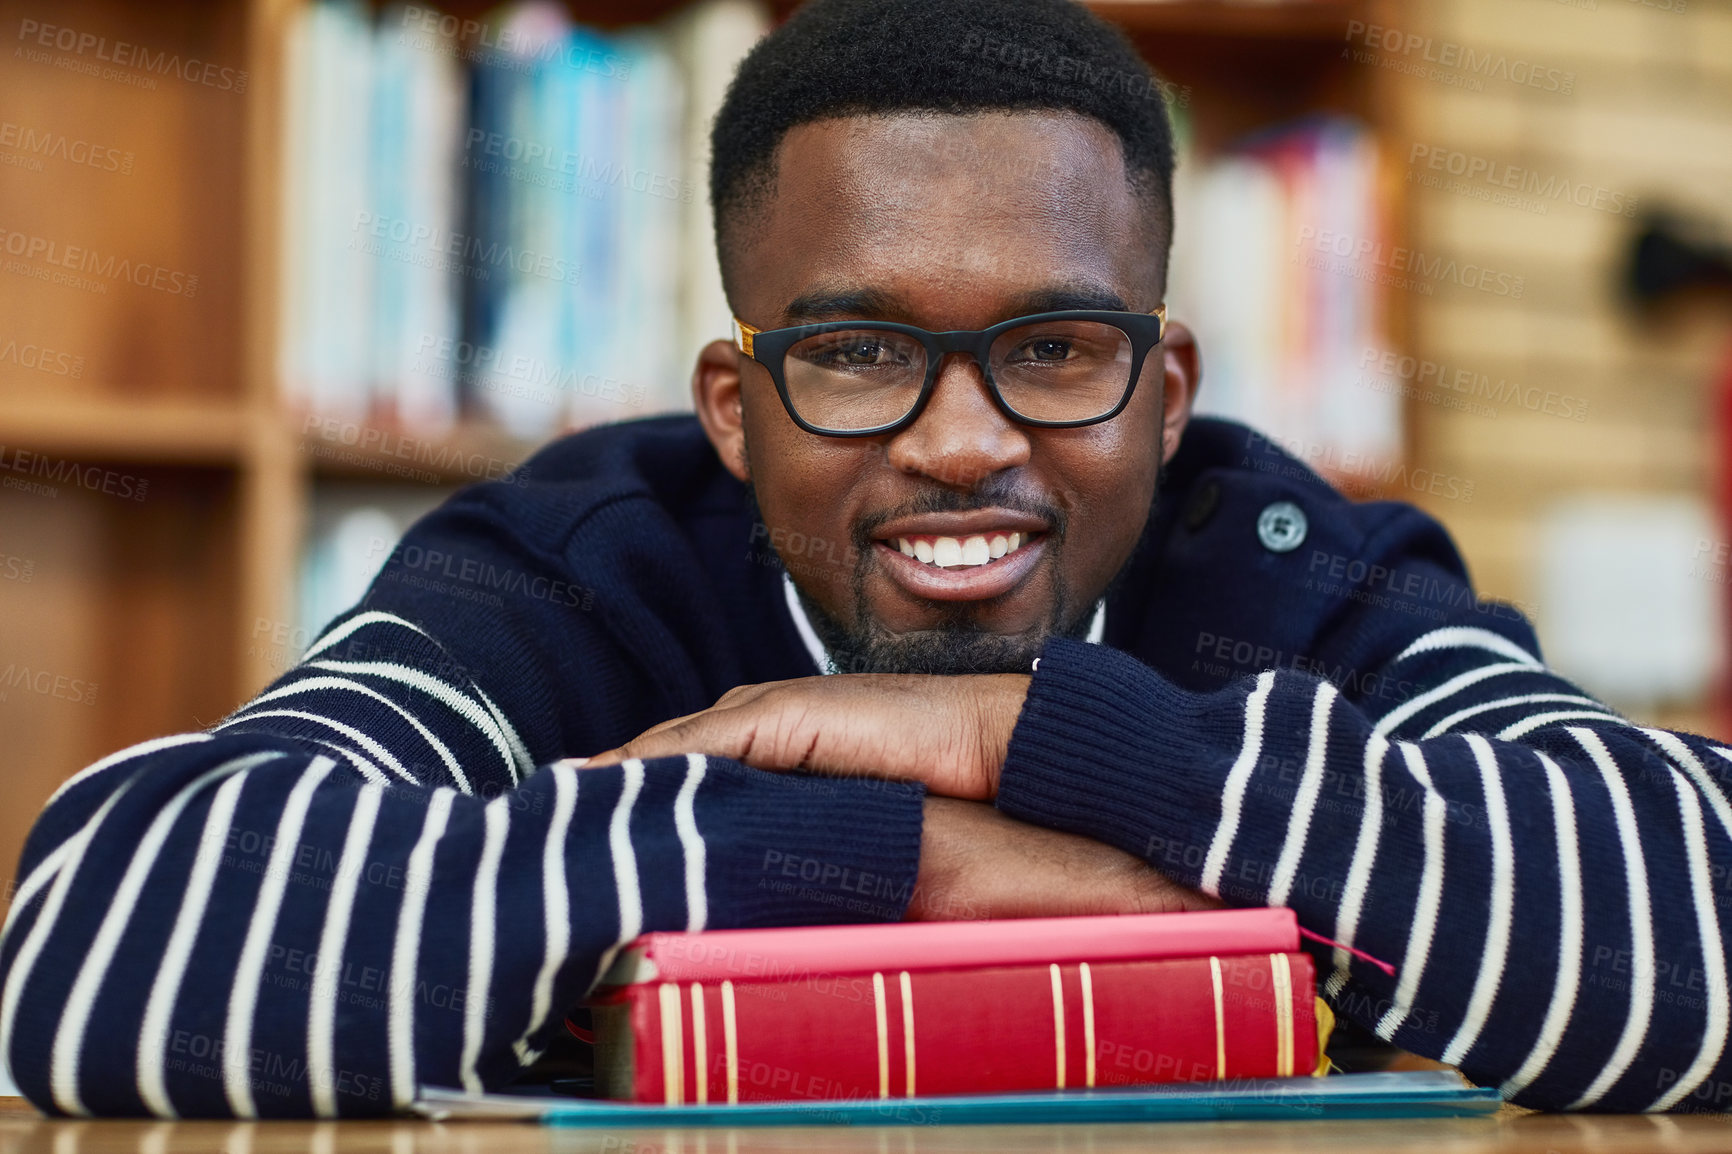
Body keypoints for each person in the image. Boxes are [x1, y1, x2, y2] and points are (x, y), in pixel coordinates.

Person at [4, 0, 1729, 1120]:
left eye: (1057, 347)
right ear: (737, 409)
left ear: (1170, 394)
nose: (963, 441)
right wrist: (910, 856)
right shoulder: (574, 562)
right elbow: (100, 931)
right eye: (855, 354)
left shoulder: (1286, 556)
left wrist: (1020, 735)